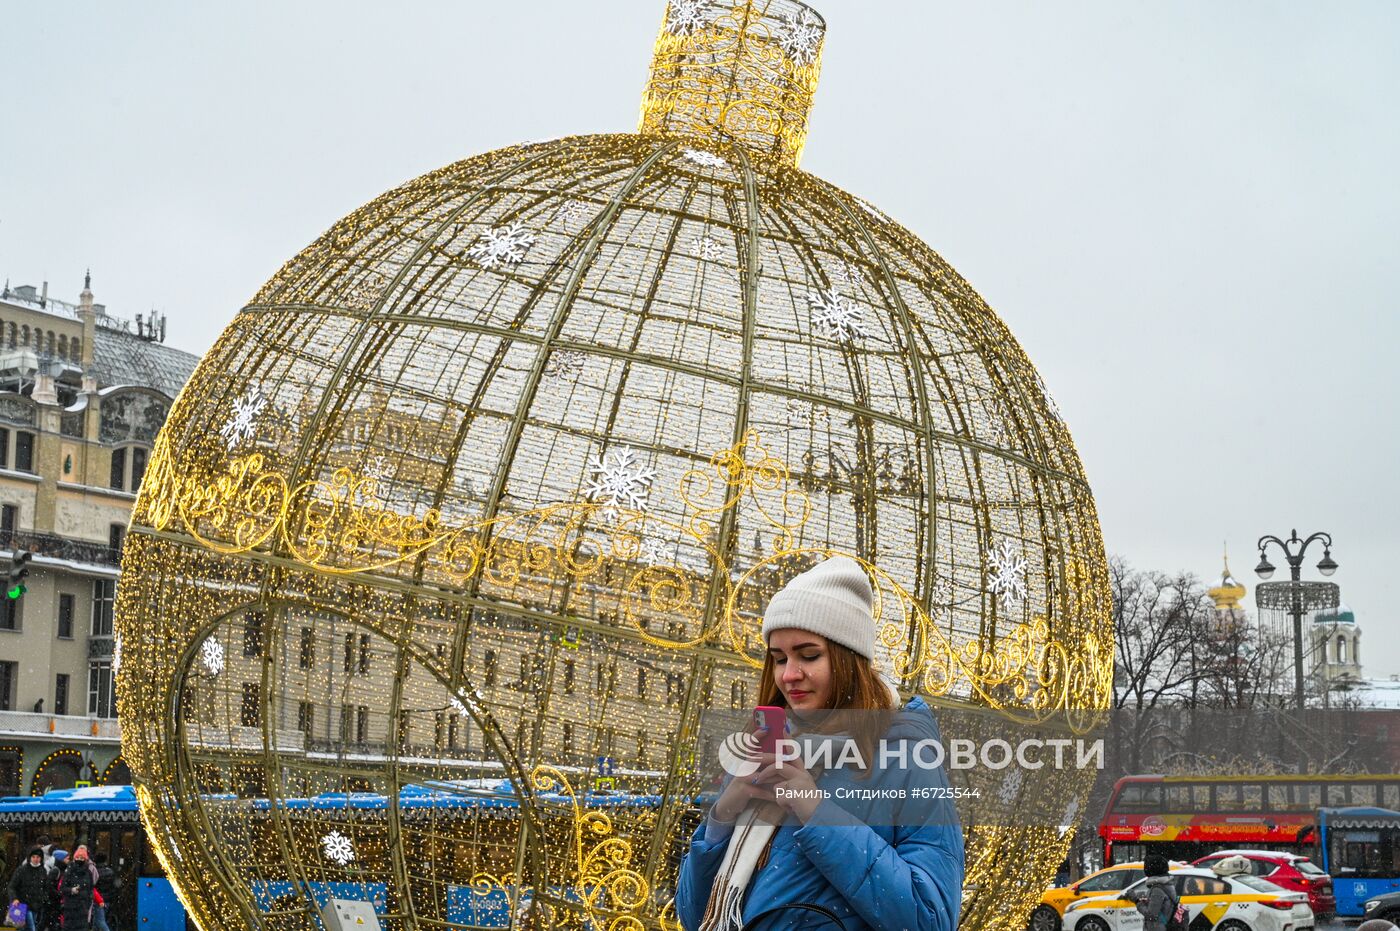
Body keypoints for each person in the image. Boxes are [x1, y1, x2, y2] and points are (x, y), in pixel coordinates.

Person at [674, 556, 964, 930]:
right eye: (778, 659)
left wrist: (816, 812)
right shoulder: (767, 750)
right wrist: (722, 816)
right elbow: (695, 916)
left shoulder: (906, 757)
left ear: (849, 660)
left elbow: (931, 919)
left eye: (809, 655)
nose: (789, 675)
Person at [1131, 854, 1179, 931]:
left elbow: (1151, 915)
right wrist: (1147, 903)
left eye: (1146, 867)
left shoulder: (1157, 889)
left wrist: (1136, 901)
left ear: (1151, 869)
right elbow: (1162, 907)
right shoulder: (1166, 883)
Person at [57, 846, 98, 931]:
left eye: (82, 858)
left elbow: (90, 889)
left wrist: (87, 903)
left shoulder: (88, 872)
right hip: (70, 909)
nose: (79, 859)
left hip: (82, 910)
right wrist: (71, 890)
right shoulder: (69, 871)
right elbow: (62, 889)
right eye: (77, 857)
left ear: (85, 859)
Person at [7, 848, 48, 931]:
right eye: (33, 857)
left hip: (36, 905)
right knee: (31, 928)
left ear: (41, 858)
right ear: (29, 858)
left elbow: (45, 887)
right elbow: (12, 886)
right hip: (22, 905)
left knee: (24, 928)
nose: (36, 859)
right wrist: (14, 898)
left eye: (38, 857)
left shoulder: (43, 870)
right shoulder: (22, 870)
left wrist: (43, 898)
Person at [91, 854, 117, 931]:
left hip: (98, 900)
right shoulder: (110, 871)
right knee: (97, 921)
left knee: (99, 921)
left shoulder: (95, 872)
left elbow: (94, 887)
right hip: (107, 900)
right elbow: (113, 887)